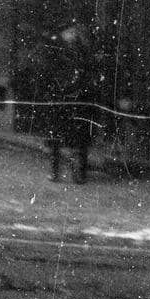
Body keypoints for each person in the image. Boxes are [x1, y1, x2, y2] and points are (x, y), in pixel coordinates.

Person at [37, 21, 99, 182]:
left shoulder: (74, 51)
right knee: (72, 137)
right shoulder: (67, 51)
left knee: (71, 137)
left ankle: (68, 172)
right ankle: (70, 172)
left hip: (71, 98)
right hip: (69, 98)